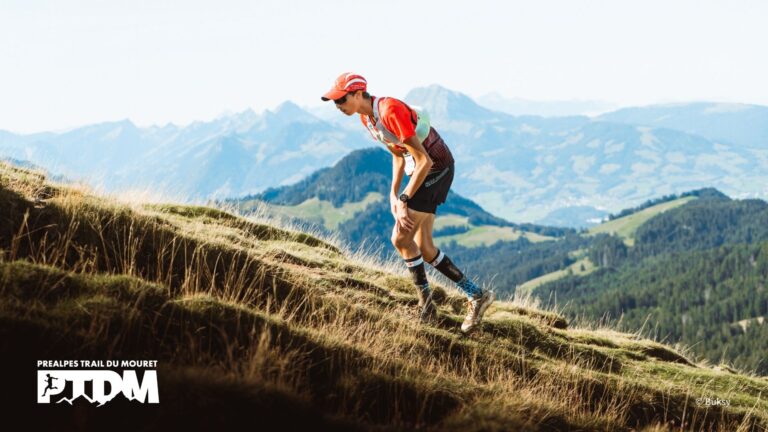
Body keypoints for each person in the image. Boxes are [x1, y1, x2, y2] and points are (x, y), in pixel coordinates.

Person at [321, 72, 494, 333]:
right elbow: (399, 156)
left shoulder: (390, 110)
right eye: (335, 102)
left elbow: (424, 160)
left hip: (436, 169)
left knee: (400, 238)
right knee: (424, 247)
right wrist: (393, 193)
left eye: (341, 100)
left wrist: (404, 199)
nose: (338, 106)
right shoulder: (366, 118)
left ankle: (427, 308)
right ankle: (477, 295)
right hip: (423, 170)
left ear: (358, 94)